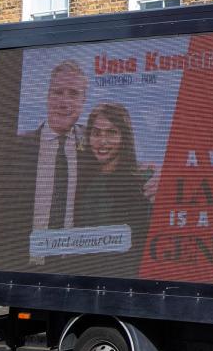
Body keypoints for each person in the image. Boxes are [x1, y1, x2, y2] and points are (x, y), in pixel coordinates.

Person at [24, 60, 89, 232]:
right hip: (25, 254)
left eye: (73, 94)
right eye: (58, 92)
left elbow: (125, 167)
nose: (64, 101)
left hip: (74, 255)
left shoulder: (93, 142)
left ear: (84, 100)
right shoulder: (18, 146)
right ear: (47, 96)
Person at [75, 103, 151, 245]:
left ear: (124, 137)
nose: (102, 142)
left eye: (111, 133)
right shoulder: (79, 179)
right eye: (96, 133)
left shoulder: (143, 181)